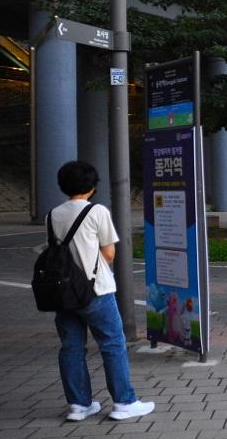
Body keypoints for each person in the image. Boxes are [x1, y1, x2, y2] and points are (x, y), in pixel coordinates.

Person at [50, 160, 155, 422]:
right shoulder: (97, 212)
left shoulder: (52, 214)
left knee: (72, 347)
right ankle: (124, 402)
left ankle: (79, 405)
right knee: (112, 345)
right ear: (92, 187)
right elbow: (109, 253)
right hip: (95, 290)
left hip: (63, 293)